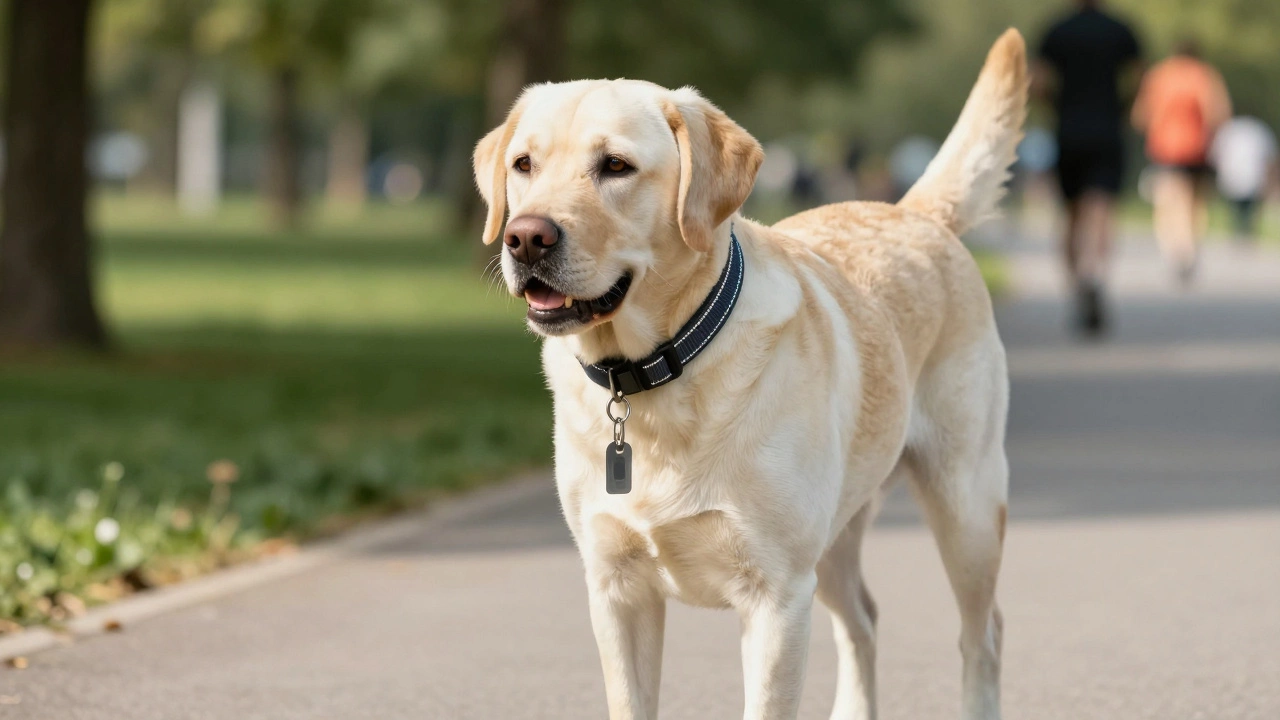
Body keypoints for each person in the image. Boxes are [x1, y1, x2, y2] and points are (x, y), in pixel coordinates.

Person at [1036, 0, 1143, 335]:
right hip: (1107, 130)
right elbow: (1140, 76)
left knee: (1070, 213)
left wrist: (1056, 104)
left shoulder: (1057, 30)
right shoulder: (1121, 30)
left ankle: (1076, 286)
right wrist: (1123, 107)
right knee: (1101, 207)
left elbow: (1036, 81)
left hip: (1068, 131)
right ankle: (1095, 274)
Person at [1131, 40, 1232, 284]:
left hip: (1165, 148)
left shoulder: (1158, 75)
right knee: (1195, 202)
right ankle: (1189, 248)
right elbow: (1219, 112)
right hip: (1198, 148)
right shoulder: (1204, 75)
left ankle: (1176, 249)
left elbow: (1140, 115)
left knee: (1168, 201)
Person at [1210, 115, 1276, 242]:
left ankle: (1241, 233)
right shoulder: (1259, 130)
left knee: (1239, 208)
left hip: (1237, 178)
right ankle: (1244, 232)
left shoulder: (1229, 130)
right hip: (1248, 178)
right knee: (1246, 209)